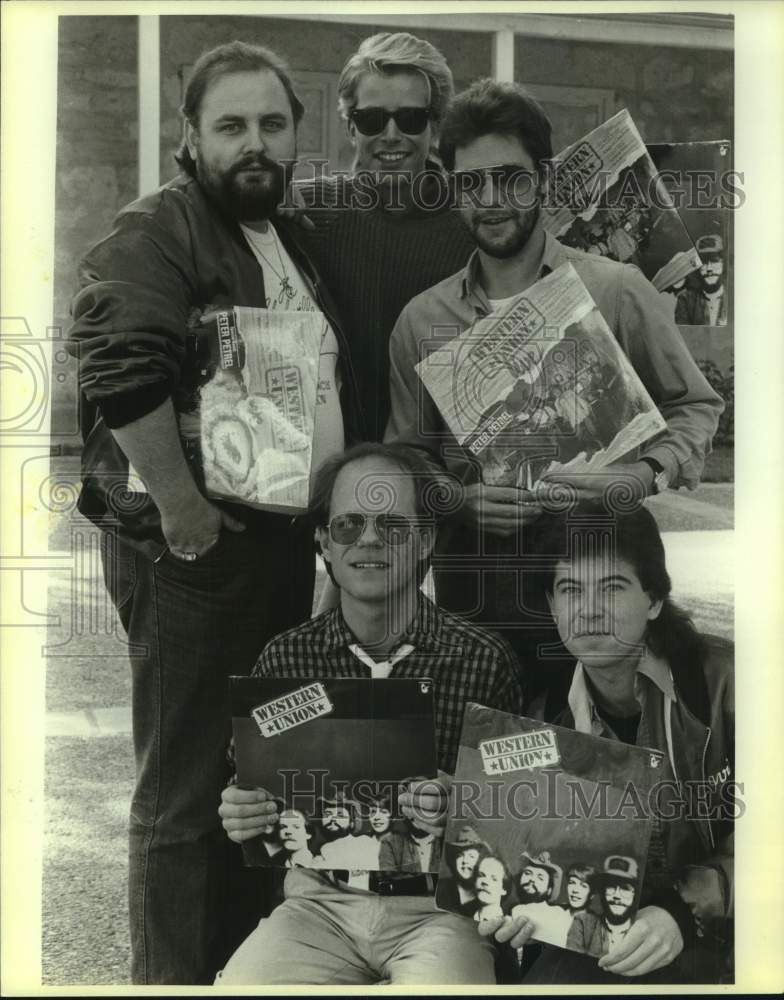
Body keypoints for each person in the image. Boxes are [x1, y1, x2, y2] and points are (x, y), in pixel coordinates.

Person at [65, 41, 363, 984]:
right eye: (231, 125)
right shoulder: (156, 229)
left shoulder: (284, 229)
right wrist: (184, 508)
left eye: (273, 124)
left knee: (254, 775)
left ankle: (236, 970)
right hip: (191, 551)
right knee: (184, 793)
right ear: (190, 137)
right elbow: (116, 366)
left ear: (295, 134)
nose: (255, 143)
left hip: (271, 547)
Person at [385, 79, 724, 710]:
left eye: (510, 178)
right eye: (470, 182)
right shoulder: (419, 322)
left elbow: (696, 406)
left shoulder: (616, 291)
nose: (490, 199)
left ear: (542, 179)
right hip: (475, 598)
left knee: (596, 778)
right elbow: (405, 460)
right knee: (487, 782)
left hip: (596, 592)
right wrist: (457, 498)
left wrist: (645, 473)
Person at [216, 442, 525, 985]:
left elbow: (520, 824)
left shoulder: (483, 658)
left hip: (440, 911)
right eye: (347, 526)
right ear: (323, 545)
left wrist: (463, 804)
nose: (368, 540)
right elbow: (250, 795)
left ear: (426, 540)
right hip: (318, 904)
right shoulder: (286, 658)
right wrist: (240, 812)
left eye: (393, 526)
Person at [479, 501, 734, 984]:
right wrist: (526, 907)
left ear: (654, 600)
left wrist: (684, 910)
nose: (589, 610)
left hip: (733, 931)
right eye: (570, 589)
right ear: (552, 605)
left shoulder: (729, 685)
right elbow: (545, 865)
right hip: (614, 941)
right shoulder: (541, 720)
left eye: (612, 587)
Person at [295, 32, 475, 440]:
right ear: (350, 126)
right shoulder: (308, 211)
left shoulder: (475, 221)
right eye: (372, 119)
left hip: (449, 469)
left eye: (410, 118)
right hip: (330, 466)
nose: (391, 134)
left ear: (435, 124)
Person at [567, 857, 640, 957]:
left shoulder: (642, 929)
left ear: (634, 895)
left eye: (625, 888)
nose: (617, 895)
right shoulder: (583, 923)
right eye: (611, 887)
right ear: (602, 892)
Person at [509, 851, 572, 947]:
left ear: (549, 890)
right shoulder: (512, 910)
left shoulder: (560, 914)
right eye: (528, 873)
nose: (532, 879)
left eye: (540, 878)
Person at [675, 233, 728, 326]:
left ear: (723, 264)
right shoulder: (686, 300)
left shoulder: (735, 299)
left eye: (714, 260)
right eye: (703, 263)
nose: (709, 269)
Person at [439, 826, 490, 915]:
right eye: (460, 855)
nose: (465, 861)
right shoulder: (441, 888)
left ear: (481, 860)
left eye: (471, 856)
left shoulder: (488, 896)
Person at [472, 854, 515, 923]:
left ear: (504, 889)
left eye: (494, 879)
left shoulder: (507, 925)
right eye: (481, 875)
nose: (485, 882)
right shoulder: (462, 915)